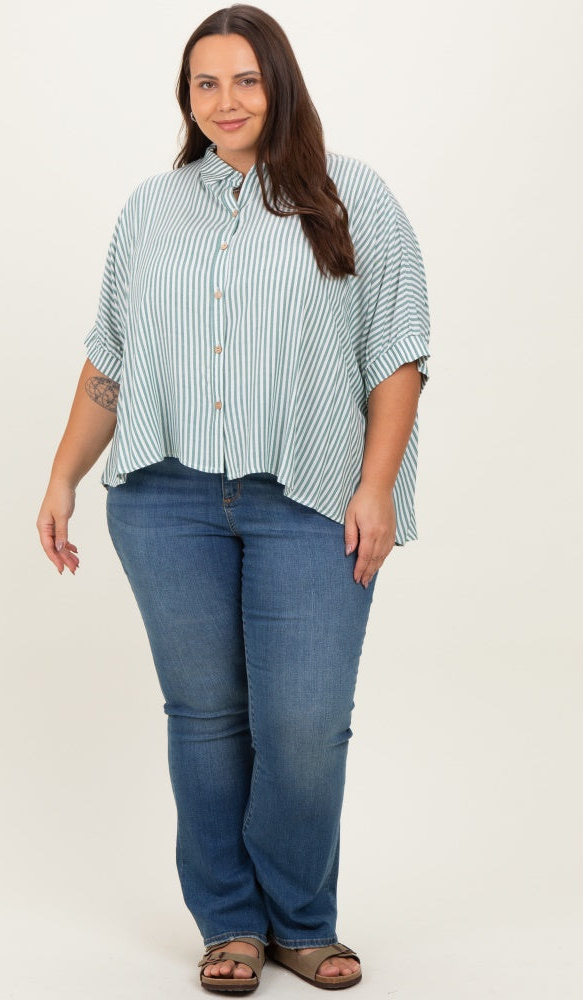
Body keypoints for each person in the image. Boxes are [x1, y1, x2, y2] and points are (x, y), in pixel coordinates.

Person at [36, 4, 431, 993]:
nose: (225, 101)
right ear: (186, 96)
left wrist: (376, 486)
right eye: (204, 83)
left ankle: (300, 920)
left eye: (245, 80)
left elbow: (397, 351)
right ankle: (230, 923)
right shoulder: (150, 209)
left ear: (279, 85)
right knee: (206, 715)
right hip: (163, 501)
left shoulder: (351, 195)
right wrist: (61, 475)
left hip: (310, 495)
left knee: (302, 723)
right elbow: (110, 359)